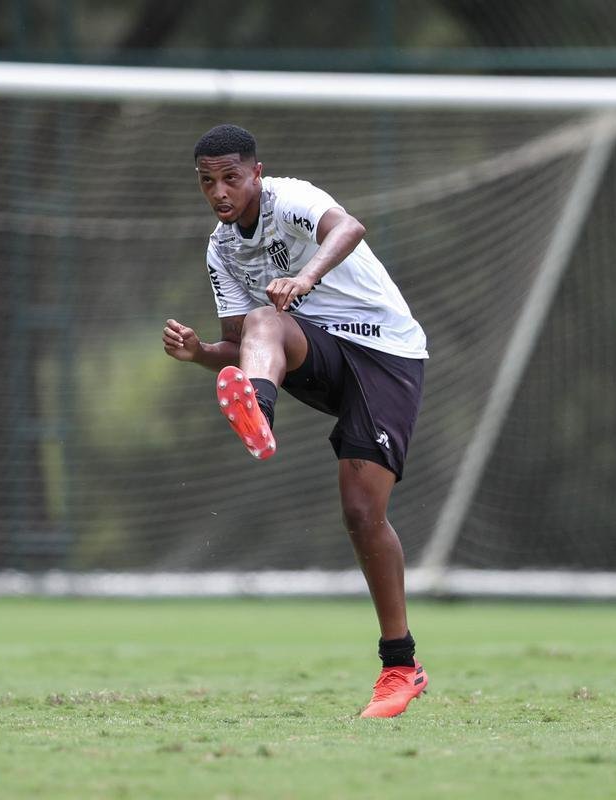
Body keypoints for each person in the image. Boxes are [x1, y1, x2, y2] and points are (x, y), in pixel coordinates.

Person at [162, 124, 429, 718]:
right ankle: (258, 408)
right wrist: (200, 354)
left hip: (387, 355)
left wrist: (305, 278)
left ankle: (401, 666)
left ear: (256, 173)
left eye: (231, 177)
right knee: (262, 323)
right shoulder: (221, 250)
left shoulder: (292, 199)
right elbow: (247, 343)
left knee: (362, 514)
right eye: (208, 182)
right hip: (317, 355)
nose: (221, 192)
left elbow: (349, 228)